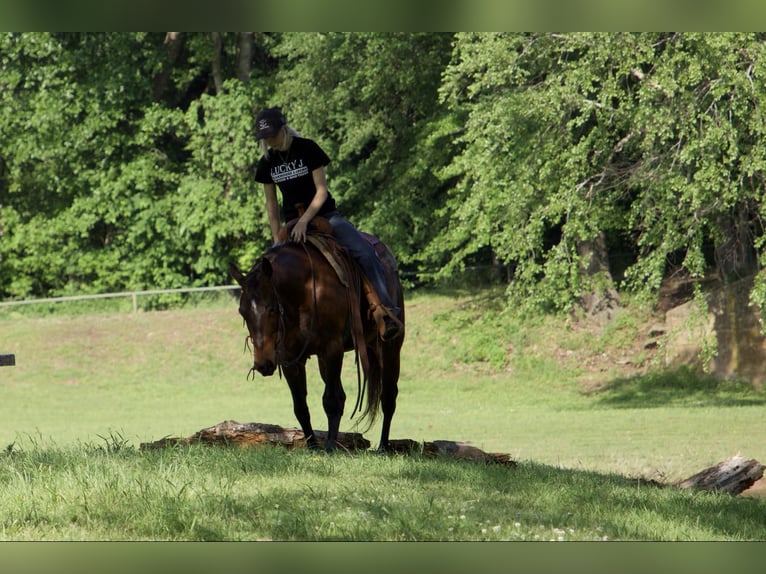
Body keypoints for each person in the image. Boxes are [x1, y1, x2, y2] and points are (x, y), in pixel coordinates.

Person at [253, 107, 403, 341]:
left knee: (364, 252)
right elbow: (271, 204)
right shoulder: (267, 163)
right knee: (266, 272)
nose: (269, 141)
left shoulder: (307, 149)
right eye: (264, 138)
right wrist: (276, 239)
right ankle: (277, 334)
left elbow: (321, 191)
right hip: (292, 223)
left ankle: (385, 309)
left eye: (271, 135)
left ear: (283, 129)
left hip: (326, 215)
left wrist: (305, 221)